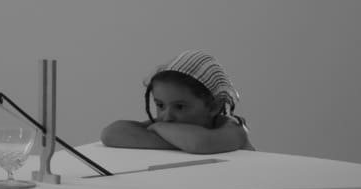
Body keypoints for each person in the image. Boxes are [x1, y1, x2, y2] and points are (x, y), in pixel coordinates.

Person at [101, 50, 254, 153]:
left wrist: (158, 128)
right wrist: (180, 142)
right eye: (160, 105)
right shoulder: (169, 126)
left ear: (214, 106)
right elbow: (111, 133)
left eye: (180, 107)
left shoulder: (234, 129)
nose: (167, 116)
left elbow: (200, 143)